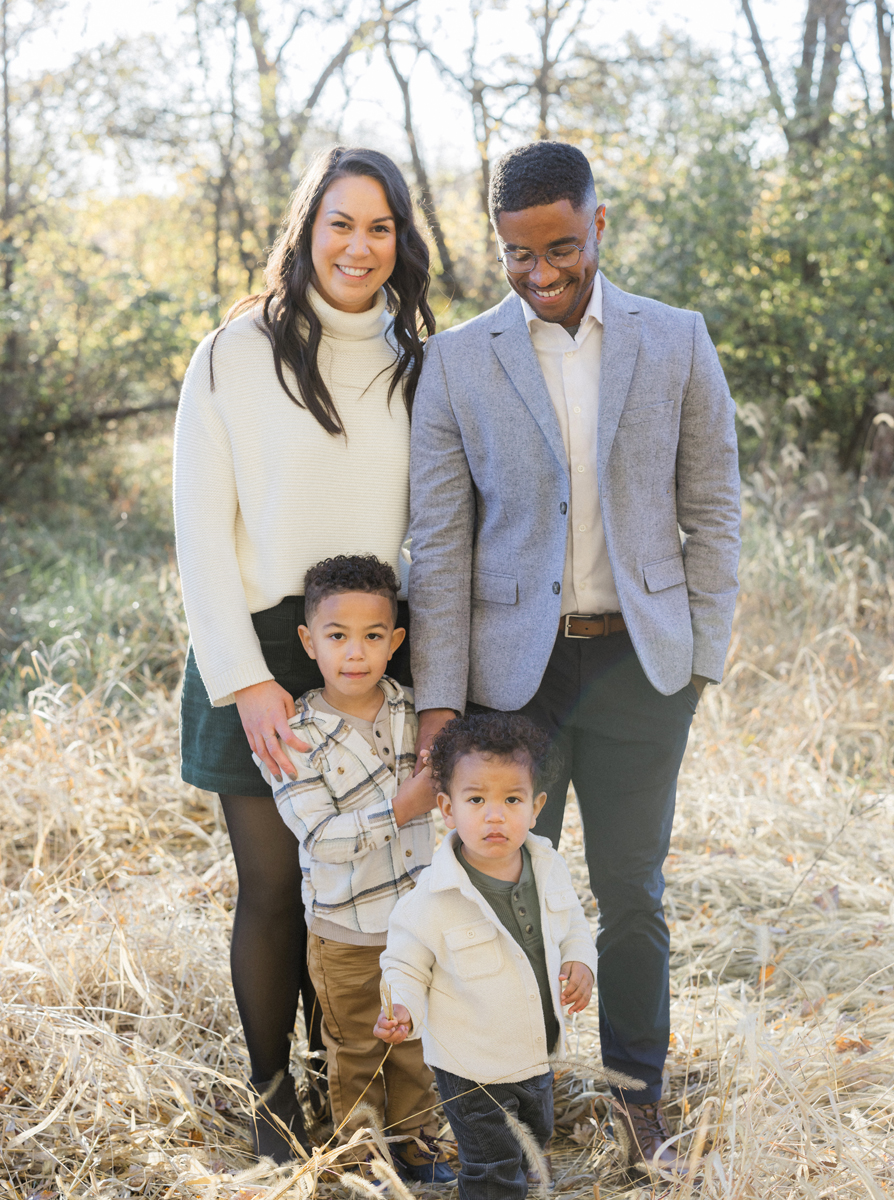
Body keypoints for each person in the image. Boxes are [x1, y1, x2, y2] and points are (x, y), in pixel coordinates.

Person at [407, 141, 741, 1177]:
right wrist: (442, 707)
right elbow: (441, 542)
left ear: (600, 224)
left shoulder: (677, 341)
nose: (540, 272)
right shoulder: (460, 361)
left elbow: (714, 508)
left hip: (645, 668)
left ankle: (643, 1093)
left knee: (632, 890)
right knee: (502, 890)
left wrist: (701, 660)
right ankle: (516, 1102)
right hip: (516, 683)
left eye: (559, 247)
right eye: (516, 254)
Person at [173, 146, 435, 1162]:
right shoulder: (231, 353)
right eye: (340, 223)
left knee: (370, 882)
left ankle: (354, 1085)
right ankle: (276, 1101)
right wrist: (245, 680)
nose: (358, 246)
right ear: (307, 229)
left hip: (374, 645)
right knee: (278, 882)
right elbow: (199, 530)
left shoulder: (422, 363)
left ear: (400, 241)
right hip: (262, 644)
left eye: (379, 227)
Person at [254, 555, 454, 1184]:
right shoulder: (294, 735)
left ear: (395, 643)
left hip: (417, 924)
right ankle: (364, 1160)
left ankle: (419, 1142)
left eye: (373, 637)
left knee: (416, 1039)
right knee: (359, 1051)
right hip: (346, 933)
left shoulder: (414, 715)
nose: (355, 653)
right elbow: (319, 836)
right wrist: (405, 807)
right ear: (309, 643)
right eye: (337, 637)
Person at [375, 712, 596, 1200]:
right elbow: (405, 964)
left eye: (511, 799)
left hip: (536, 1052)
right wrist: (403, 1008)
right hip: (471, 1066)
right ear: (447, 809)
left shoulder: (548, 865)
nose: (495, 815)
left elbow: (575, 924)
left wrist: (581, 962)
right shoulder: (433, 897)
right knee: (492, 1166)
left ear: (536, 807)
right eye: (476, 800)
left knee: (532, 1143)